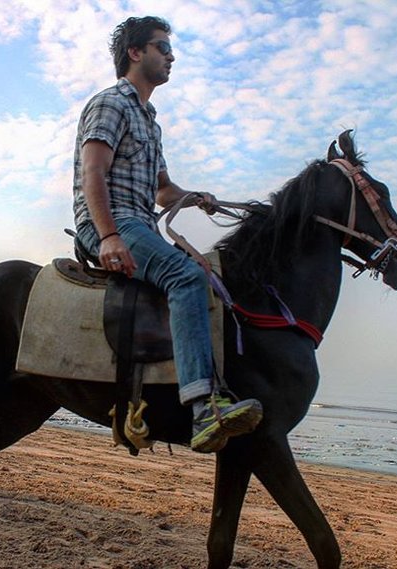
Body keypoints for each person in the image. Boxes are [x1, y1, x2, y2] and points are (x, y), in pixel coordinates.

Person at [72, 16, 262, 452]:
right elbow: (93, 172)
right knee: (186, 276)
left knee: (205, 272)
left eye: (170, 49)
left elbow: (162, 190)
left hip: (138, 220)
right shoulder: (110, 103)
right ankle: (202, 408)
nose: (171, 56)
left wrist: (196, 198)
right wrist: (108, 237)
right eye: (162, 47)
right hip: (112, 222)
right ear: (135, 53)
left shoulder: (150, 122)